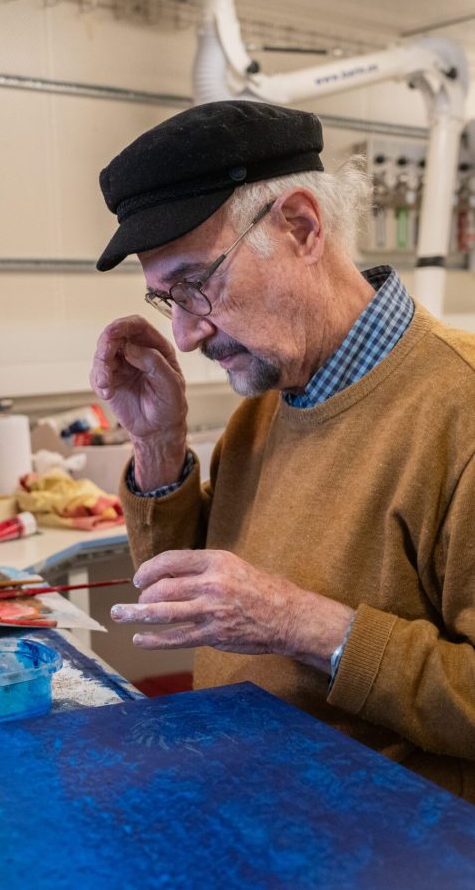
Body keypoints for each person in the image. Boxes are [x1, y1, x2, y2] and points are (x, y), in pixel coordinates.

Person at [89, 99, 475, 801]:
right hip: (253, 798)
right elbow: (189, 602)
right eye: (167, 299)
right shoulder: (264, 407)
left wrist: (299, 623)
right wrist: (157, 442)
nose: (185, 336)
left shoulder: (460, 411)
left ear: (301, 226)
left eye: (197, 284)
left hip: (393, 834)